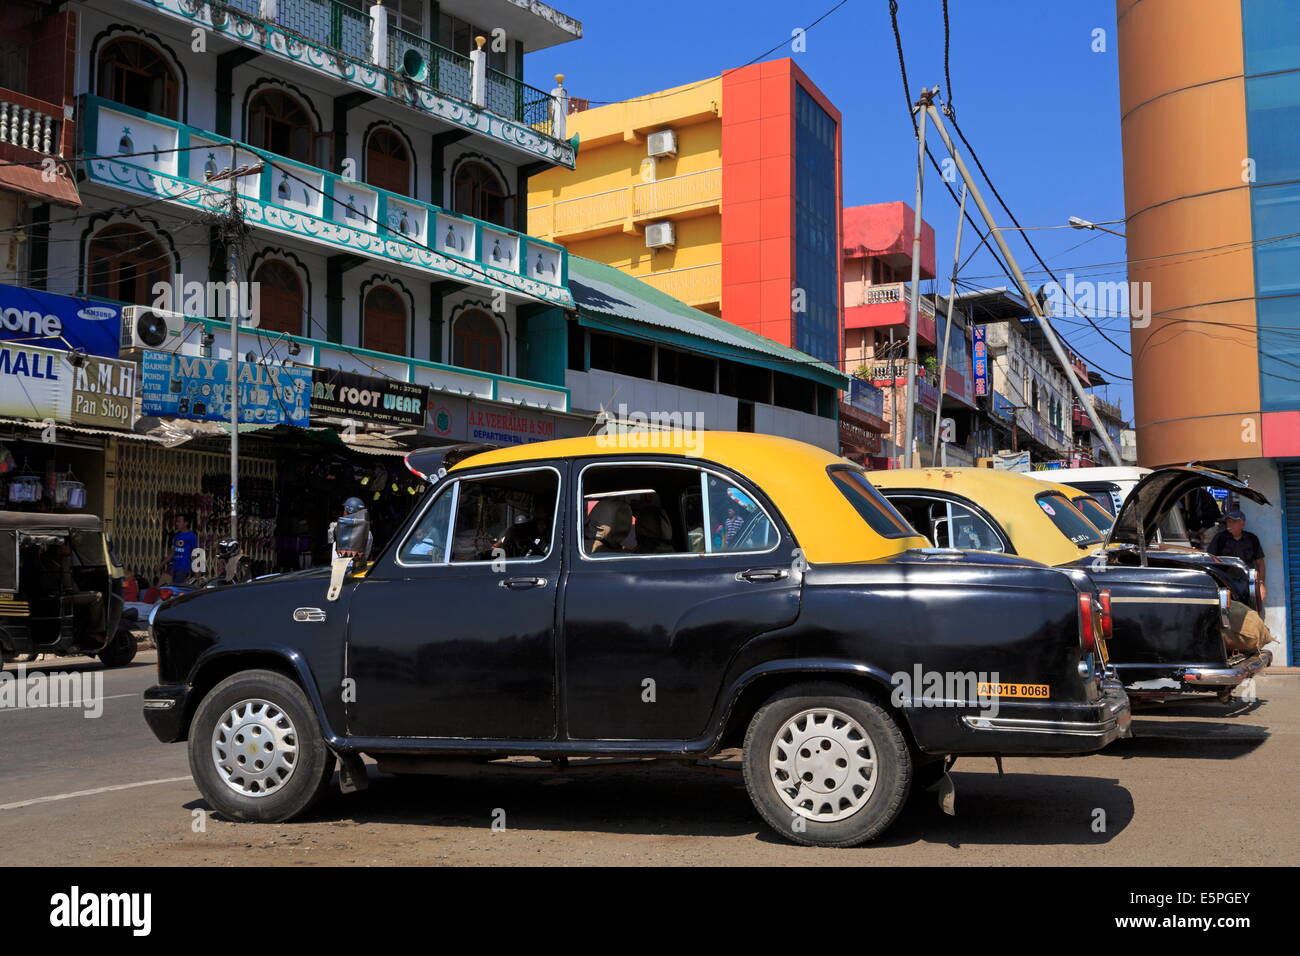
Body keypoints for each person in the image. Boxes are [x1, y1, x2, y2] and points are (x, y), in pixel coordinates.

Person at [1207, 509, 1267, 603]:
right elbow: (1210, 560)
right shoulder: (1219, 539)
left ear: (1242, 524)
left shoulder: (1252, 539)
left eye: (1233, 522)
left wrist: (1261, 585)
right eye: (1228, 522)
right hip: (1225, 585)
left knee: (1251, 613)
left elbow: (1261, 564)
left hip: (1248, 585)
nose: (1229, 524)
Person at [169, 514, 198, 584]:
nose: (177, 524)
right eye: (176, 522)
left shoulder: (191, 535)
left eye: (179, 521)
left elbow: (195, 552)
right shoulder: (177, 536)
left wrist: (197, 570)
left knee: (177, 589)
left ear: (186, 523)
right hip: (174, 567)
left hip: (183, 568)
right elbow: (173, 553)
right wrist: (161, 564)